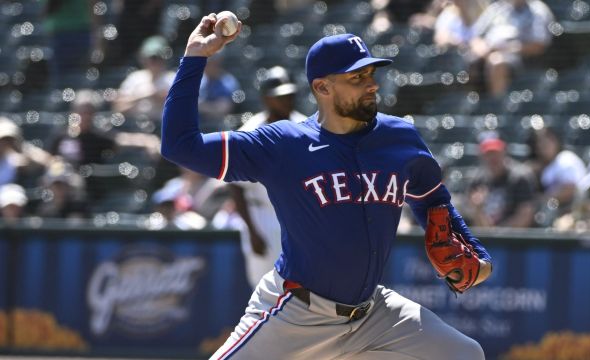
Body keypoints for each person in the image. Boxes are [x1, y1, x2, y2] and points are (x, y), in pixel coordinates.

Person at [161, 14, 491, 359]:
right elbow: (179, 146)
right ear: (322, 88)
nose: (371, 84)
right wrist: (195, 57)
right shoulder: (283, 144)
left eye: (371, 74)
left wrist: (476, 254)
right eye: (357, 77)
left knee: (465, 354)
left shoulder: (400, 138)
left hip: (373, 315)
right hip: (296, 314)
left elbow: (434, 202)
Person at [228, 65, 306, 287]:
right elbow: (235, 186)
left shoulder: (307, 127)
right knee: (263, 288)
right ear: (266, 99)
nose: (287, 101)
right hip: (262, 215)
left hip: (298, 215)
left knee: (302, 288)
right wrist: (252, 230)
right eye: (280, 97)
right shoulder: (249, 133)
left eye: (290, 95)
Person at [469, 0, 554, 96]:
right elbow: (474, 35)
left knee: (497, 61)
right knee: (465, 60)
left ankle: (497, 105)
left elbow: (539, 45)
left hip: (521, 58)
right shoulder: (497, 8)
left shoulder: (538, 10)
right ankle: (468, 105)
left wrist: (506, 49)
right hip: (486, 53)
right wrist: (480, 47)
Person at [465, 135, 537, 227]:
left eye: (496, 153)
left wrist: (499, 235)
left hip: (514, 238)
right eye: (488, 154)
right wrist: (478, 210)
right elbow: (479, 227)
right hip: (487, 238)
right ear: (482, 157)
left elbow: (525, 215)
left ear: (504, 153)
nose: (493, 158)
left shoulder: (520, 177)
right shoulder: (477, 180)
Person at [527, 127, 587, 225]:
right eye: (540, 144)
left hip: (575, 210)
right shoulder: (546, 166)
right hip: (557, 211)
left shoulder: (565, 159)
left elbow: (570, 190)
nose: (543, 147)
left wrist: (541, 199)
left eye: (547, 142)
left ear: (556, 141)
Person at [113, 35, 176, 124]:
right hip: (134, 126)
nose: (153, 62)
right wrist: (144, 96)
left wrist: (158, 98)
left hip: (164, 127)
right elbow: (118, 107)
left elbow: (181, 107)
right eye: (151, 58)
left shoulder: (173, 79)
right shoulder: (134, 78)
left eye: (157, 58)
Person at [198, 54, 241, 129]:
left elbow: (224, 109)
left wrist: (204, 107)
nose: (207, 67)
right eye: (206, 64)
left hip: (223, 125)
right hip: (200, 125)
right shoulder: (199, 81)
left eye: (211, 64)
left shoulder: (228, 81)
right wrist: (213, 107)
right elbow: (194, 105)